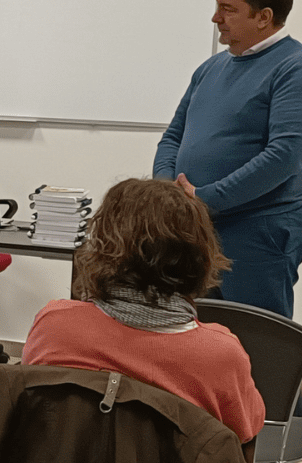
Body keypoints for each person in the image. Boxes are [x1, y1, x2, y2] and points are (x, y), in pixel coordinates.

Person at [153, 0, 302, 320]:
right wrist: (167, 193)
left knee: (255, 346)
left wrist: (204, 199)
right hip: (195, 227)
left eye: (228, 9)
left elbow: (284, 157)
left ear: (264, 16)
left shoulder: (300, 70)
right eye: (217, 5)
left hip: (257, 234)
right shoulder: (211, 68)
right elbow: (174, 136)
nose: (215, 17)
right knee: (194, 340)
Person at [22, 178, 264, 444]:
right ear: (199, 253)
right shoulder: (221, 355)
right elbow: (239, 447)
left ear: (102, 245)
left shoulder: (54, 326)